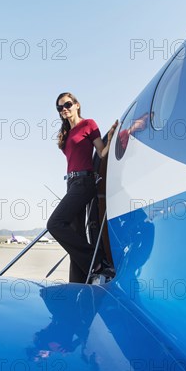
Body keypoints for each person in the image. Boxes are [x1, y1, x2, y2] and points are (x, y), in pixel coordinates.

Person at [46, 92, 118, 283]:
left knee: (54, 224)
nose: (64, 109)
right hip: (71, 183)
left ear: (77, 104)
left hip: (84, 183)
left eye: (67, 104)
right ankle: (77, 287)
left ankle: (98, 262)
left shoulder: (89, 124)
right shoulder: (66, 134)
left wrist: (110, 140)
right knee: (74, 240)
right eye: (60, 108)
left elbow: (101, 152)